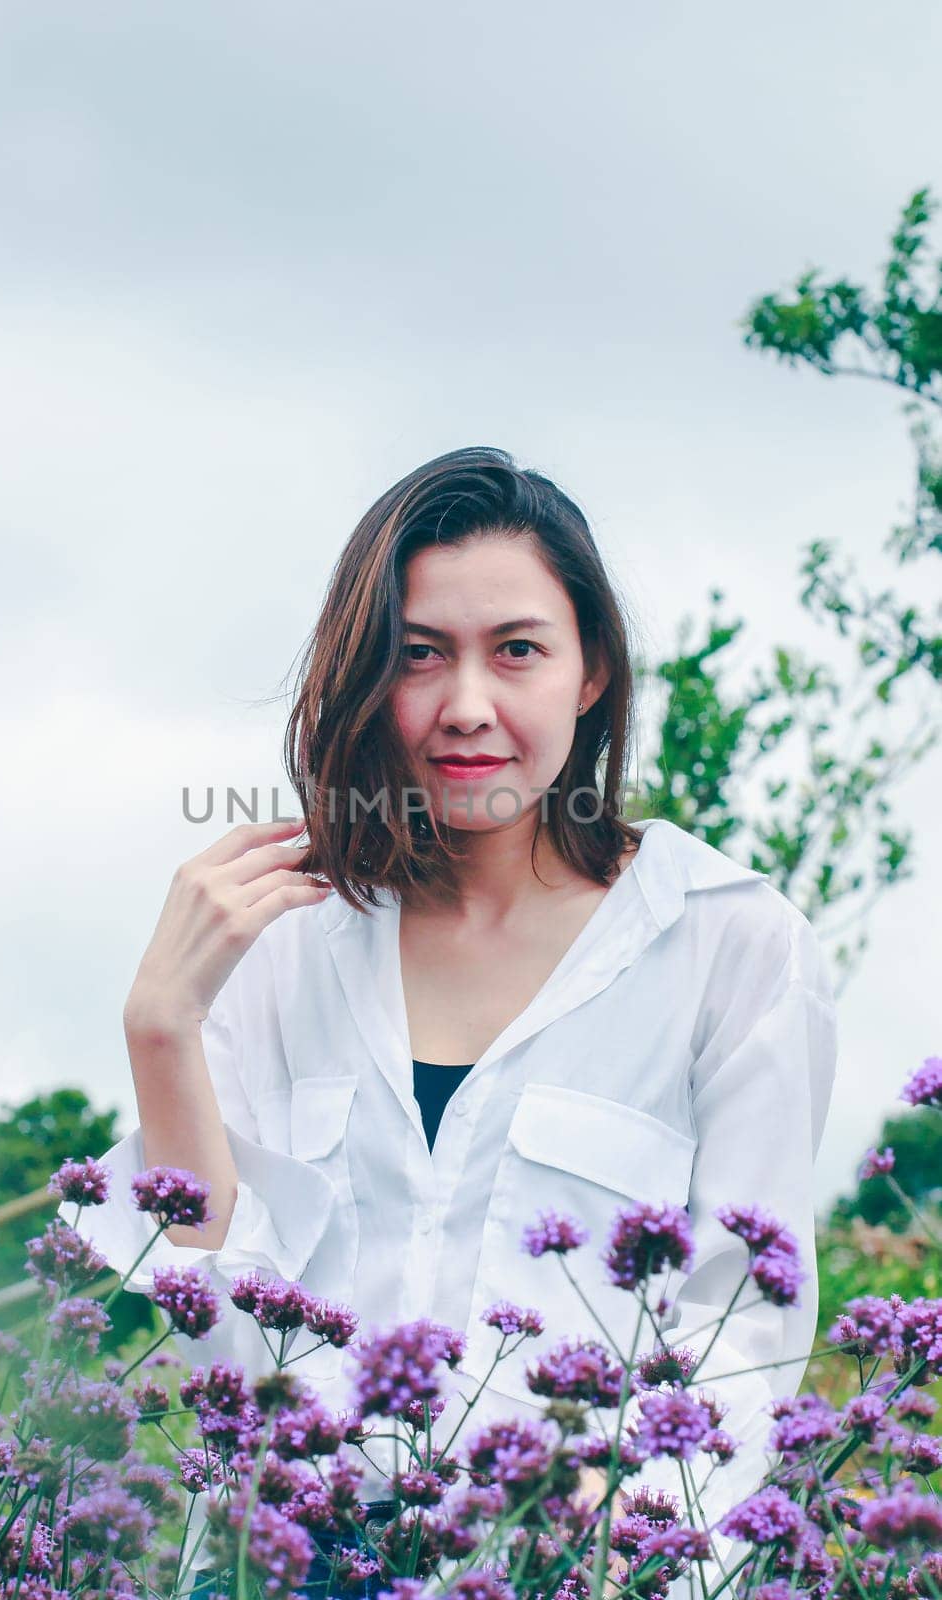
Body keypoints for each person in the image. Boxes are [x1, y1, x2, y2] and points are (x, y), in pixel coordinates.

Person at [61, 447, 838, 1596]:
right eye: (419, 655)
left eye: (515, 649)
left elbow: (744, 1327)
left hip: (579, 1560)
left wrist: (620, 1526)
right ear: (369, 680)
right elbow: (223, 1354)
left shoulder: (728, 941)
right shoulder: (278, 947)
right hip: (286, 1558)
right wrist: (163, 1026)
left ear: (590, 674)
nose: (465, 705)